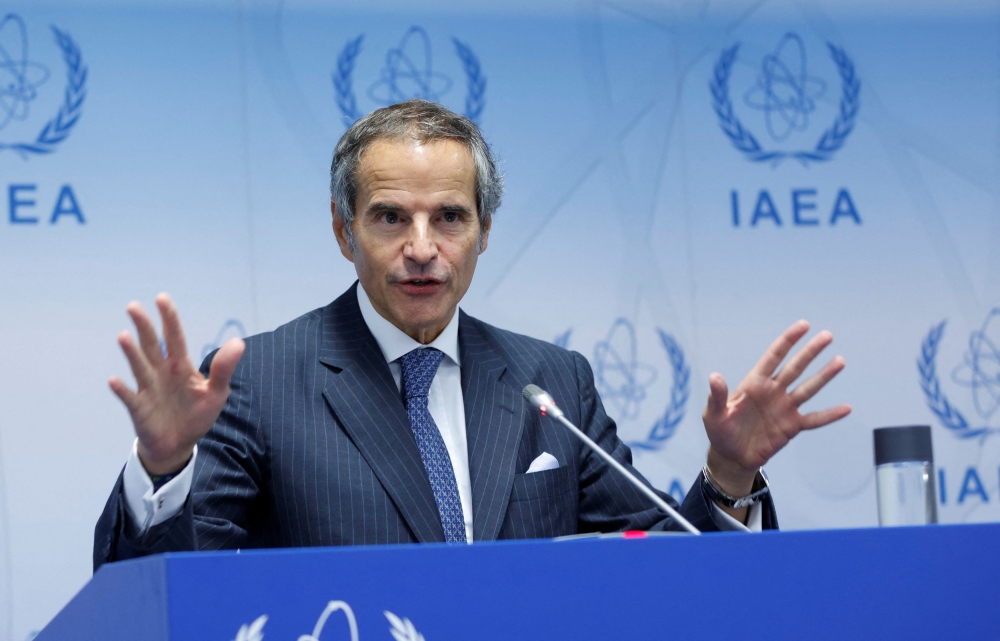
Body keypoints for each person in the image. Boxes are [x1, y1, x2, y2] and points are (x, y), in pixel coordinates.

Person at [94, 100, 850, 569]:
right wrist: (164, 464)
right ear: (342, 230)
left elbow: (667, 576)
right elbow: (167, 591)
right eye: (390, 216)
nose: (422, 246)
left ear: (484, 231)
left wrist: (727, 475)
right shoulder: (262, 380)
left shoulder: (552, 381)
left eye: (449, 217)